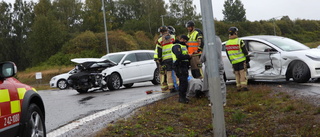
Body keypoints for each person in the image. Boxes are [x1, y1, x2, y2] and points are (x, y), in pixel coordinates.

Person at [200, 35, 227, 106]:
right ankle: (220, 100)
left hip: (212, 65)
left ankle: (216, 101)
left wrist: (200, 60)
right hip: (217, 64)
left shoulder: (210, 41)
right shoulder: (217, 39)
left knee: (213, 83)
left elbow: (205, 54)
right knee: (218, 83)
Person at [225, 27, 249, 91]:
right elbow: (245, 51)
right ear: (235, 33)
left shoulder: (227, 43)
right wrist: (247, 57)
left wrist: (231, 61)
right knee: (242, 73)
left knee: (236, 74)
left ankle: (238, 87)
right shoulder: (239, 41)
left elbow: (227, 54)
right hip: (241, 61)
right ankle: (244, 87)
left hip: (234, 62)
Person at [156, 26, 178, 93]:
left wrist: (160, 59)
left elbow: (159, 51)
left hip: (166, 59)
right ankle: (179, 85)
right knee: (176, 72)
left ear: (160, 32)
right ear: (167, 30)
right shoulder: (173, 37)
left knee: (169, 73)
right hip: (173, 57)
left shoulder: (160, 40)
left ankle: (171, 88)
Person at [172, 35, 192, 103]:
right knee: (183, 82)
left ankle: (183, 97)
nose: (186, 42)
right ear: (182, 39)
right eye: (185, 40)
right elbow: (179, 56)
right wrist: (188, 56)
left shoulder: (183, 46)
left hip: (183, 66)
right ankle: (182, 98)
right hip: (179, 65)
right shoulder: (176, 46)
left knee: (184, 82)